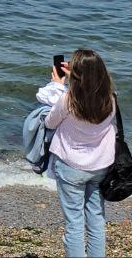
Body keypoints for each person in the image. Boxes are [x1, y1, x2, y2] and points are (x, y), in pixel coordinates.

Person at [43, 49, 117, 257]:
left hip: (71, 167)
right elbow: (90, 91)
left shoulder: (68, 99)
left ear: (76, 76)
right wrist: (75, 77)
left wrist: (58, 85)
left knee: (74, 222)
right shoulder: (110, 99)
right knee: (96, 218)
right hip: (100, 166)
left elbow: (49, 122)